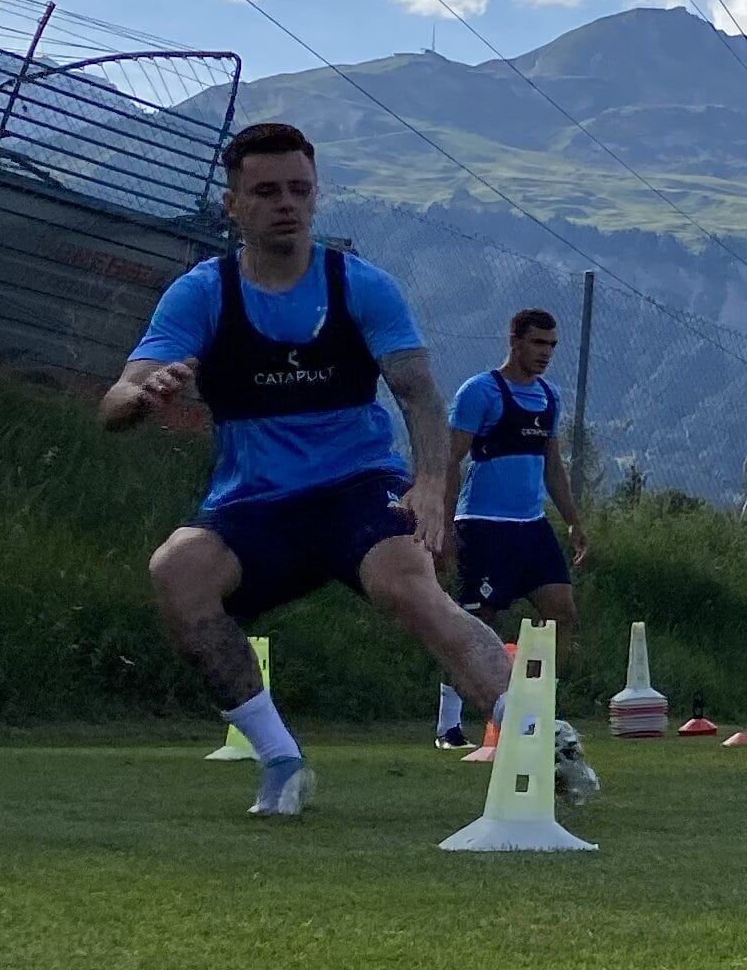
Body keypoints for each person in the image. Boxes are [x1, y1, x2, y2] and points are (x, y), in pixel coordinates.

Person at [102, 122, 574, 822]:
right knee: (177, 571)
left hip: (358, 488)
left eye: (299, 188)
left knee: (406, 581)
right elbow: (114, 402)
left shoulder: (359, 286)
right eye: (265, 192)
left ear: (317, 196)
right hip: (254, 505)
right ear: (232, 206)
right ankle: (281, 761)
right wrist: (143, 397)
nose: (285, 203)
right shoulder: (202, 294)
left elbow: (419, 393)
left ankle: (540, 741)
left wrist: (431, 486)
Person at [438, 305, 587, 754]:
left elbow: (553, 467)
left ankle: (540, 710)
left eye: (552, 346)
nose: (546, 354)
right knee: (473, 624)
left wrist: (574, 522)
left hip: (532, 527)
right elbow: (449, 462)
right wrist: (442, 525)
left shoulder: (549, 397)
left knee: (562, 611)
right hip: (485, 527)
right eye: (538, 344)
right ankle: (449, 724)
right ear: (515, 341)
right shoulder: (480, 392)